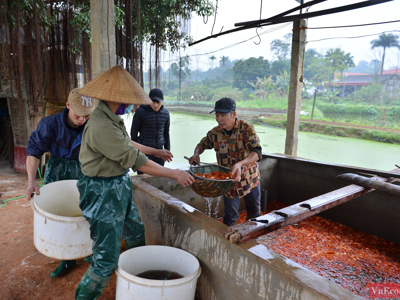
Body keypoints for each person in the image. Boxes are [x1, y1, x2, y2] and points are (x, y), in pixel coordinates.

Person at [74, 65, 194, 300]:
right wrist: (174, 174)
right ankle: (84, 297)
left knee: (136, 232)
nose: (134, 106)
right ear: (114, 99)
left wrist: (155, 151)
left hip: (118, 184)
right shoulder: (101, 125)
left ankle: (137, 280)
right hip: (102, 191)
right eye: (129, 102)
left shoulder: (111, 118)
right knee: (106, 258)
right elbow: (137, 161)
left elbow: (127, 143)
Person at [25, 88, 95, 277]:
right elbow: (34, 153)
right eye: (78, 114)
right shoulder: (50, 124)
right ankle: (67, 258)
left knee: (88, 211)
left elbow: (118, 143)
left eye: (87, 115)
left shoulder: (94, 125)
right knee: (61, 214)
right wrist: (31, 181)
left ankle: (89, 250)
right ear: (68, 105)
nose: (82, 119)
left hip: (85, 169)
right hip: (58, 169)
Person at [189, 97, 262, 226]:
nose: (219, 119)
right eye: (217, 115)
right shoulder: (215, 133)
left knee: (254, 213)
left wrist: (240, 164)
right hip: (228, 182)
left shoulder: (247, 129)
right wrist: (196, 154)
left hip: (249, 179)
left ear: (233, 114)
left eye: (223, 115)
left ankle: (252, 241)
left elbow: (257, 152)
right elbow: (202, 144)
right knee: (229, 216)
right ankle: (228, 242)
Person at [131, 88, 170, 173]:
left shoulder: (166, 113)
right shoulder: (140, 112)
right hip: (144, 152)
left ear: (163, 100)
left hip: (160, 152)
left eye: (158, 102)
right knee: (143, 176)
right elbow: (133, 132)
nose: (155, 104)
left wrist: (168, 150)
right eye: (153, 102)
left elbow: (166, 133)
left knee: (159, 177)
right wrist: (134, 152)